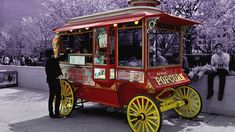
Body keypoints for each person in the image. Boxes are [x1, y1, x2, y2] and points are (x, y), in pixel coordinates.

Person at [44, 49, 63, 118]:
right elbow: (60, 59)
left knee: (51, 97)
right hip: (55, 80)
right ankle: (57, 113)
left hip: (50, 81)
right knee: (58, 96)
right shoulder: (53, 60)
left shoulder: (47, 62)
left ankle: (51, 113)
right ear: (51, 54)